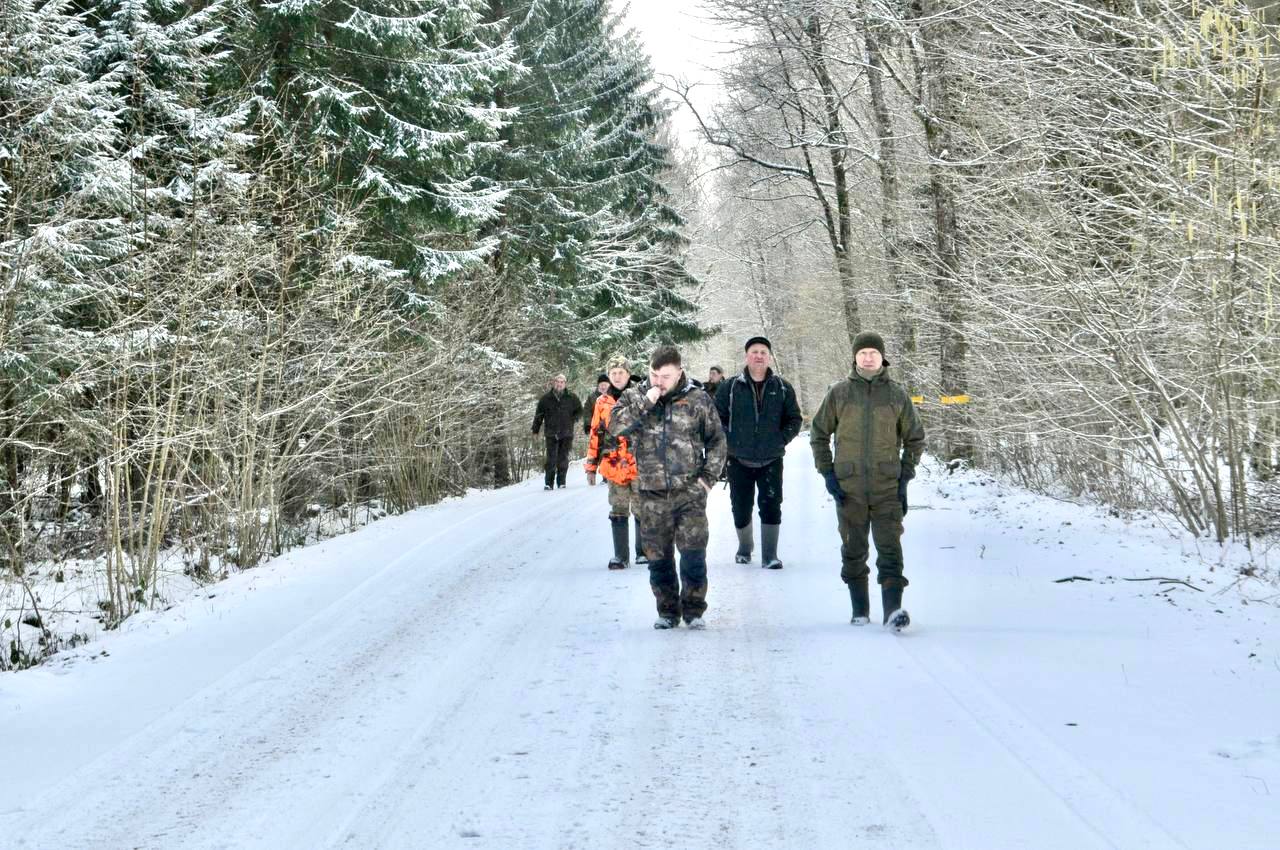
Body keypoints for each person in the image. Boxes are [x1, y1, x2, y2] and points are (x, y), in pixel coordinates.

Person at [810, 332, 924, 631]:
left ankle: (892, 611)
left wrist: (905, 475)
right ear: (855, 357)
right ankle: (859, 610)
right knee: (853, 549)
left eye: (874, 352)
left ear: (882, 357)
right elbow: (819, 434)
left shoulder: (897, 395)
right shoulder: (839, 393)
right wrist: (828, 473)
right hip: (849, 488)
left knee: (890, 549)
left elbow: (915, 439)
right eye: (863, 353)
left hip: (887, 487)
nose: (869, 357)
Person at [609, 345, 726, 629]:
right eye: (654, 374)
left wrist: (707, 481)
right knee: (658, 558)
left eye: (665, 376)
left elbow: (717, 442)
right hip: (650, 493)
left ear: (679, 373)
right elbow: (613, 426)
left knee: (693, 555)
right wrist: (644, 403)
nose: (658, 381)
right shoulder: (636, 396)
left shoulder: (697, 399)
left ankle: (694, 610)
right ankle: (667, 612)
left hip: (690, 492)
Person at [715, 336, 803, 569]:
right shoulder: (730, 387)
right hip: (738, 459)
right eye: (754, 351)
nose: (759, 356)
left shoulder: (782, 387)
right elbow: (716, 418)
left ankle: (770, 555)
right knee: (741, 506)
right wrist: (730, 440)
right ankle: (745, 548)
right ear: (747, 356)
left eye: (763, 352)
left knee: (771, 504)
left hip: (771, 459)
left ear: (769, 357)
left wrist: (779, 439)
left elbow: (795, 419)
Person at [585, 357, 643, 569]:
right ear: (609, 377)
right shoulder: (602, 402)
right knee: (618, 507)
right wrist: (591, 466)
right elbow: (595, 434)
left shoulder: (641, 396)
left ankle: (643, 552)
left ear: (629, 374)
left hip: (640, 461)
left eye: (621, 372)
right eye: (614, 373)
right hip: (614, 462)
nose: (618, 376)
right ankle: (621, 556)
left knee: (642, 507)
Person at [531, 374, 582, 490]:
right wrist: (535, 430)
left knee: (563, 458)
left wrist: (574, 419)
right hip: (551, 432)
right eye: (557, 382)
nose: (559, 384)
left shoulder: (572, 397)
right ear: (553, 383)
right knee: (551, 459)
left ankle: (561, 482)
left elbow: (579, 410)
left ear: (565, 384)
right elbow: (539, 415)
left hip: (566, 432)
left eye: (562, 382)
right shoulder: (545, 399)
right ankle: (548, 483)